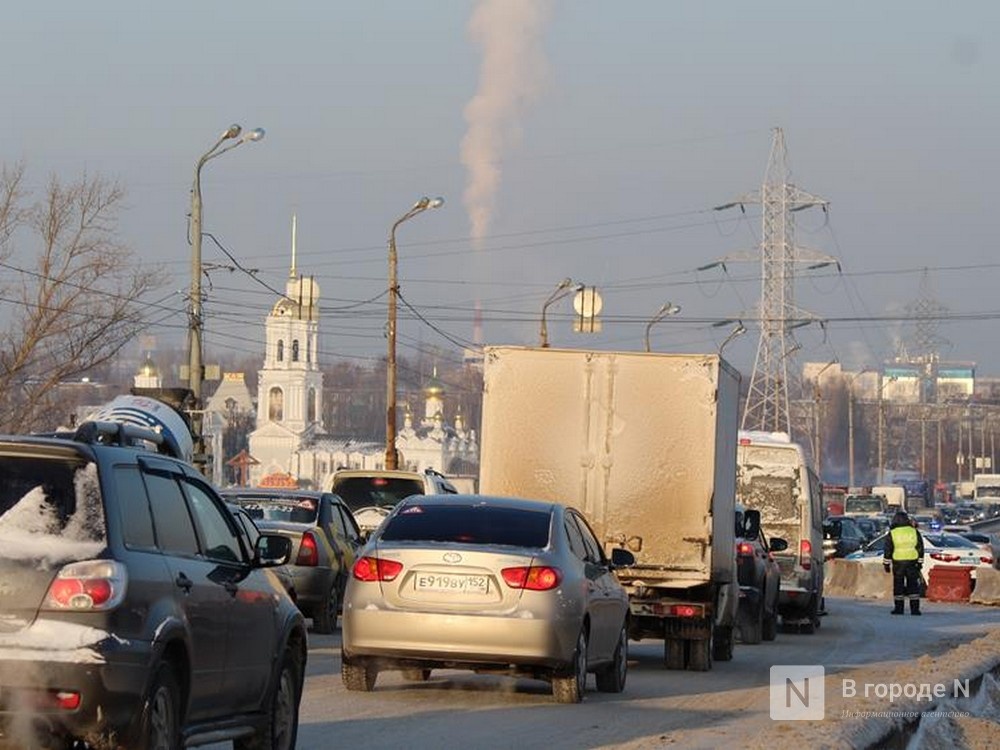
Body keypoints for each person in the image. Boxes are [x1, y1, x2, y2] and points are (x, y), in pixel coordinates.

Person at [883, 510, 925, 615]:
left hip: (898, 562)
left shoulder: (893, 533)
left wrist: (886, 564)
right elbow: (920, 548)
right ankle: (915, 609)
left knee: (898, 586)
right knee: (913, 586)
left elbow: (888, 550)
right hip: (912, 562)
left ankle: (899, 609)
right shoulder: (914, 532)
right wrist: (920, 563)